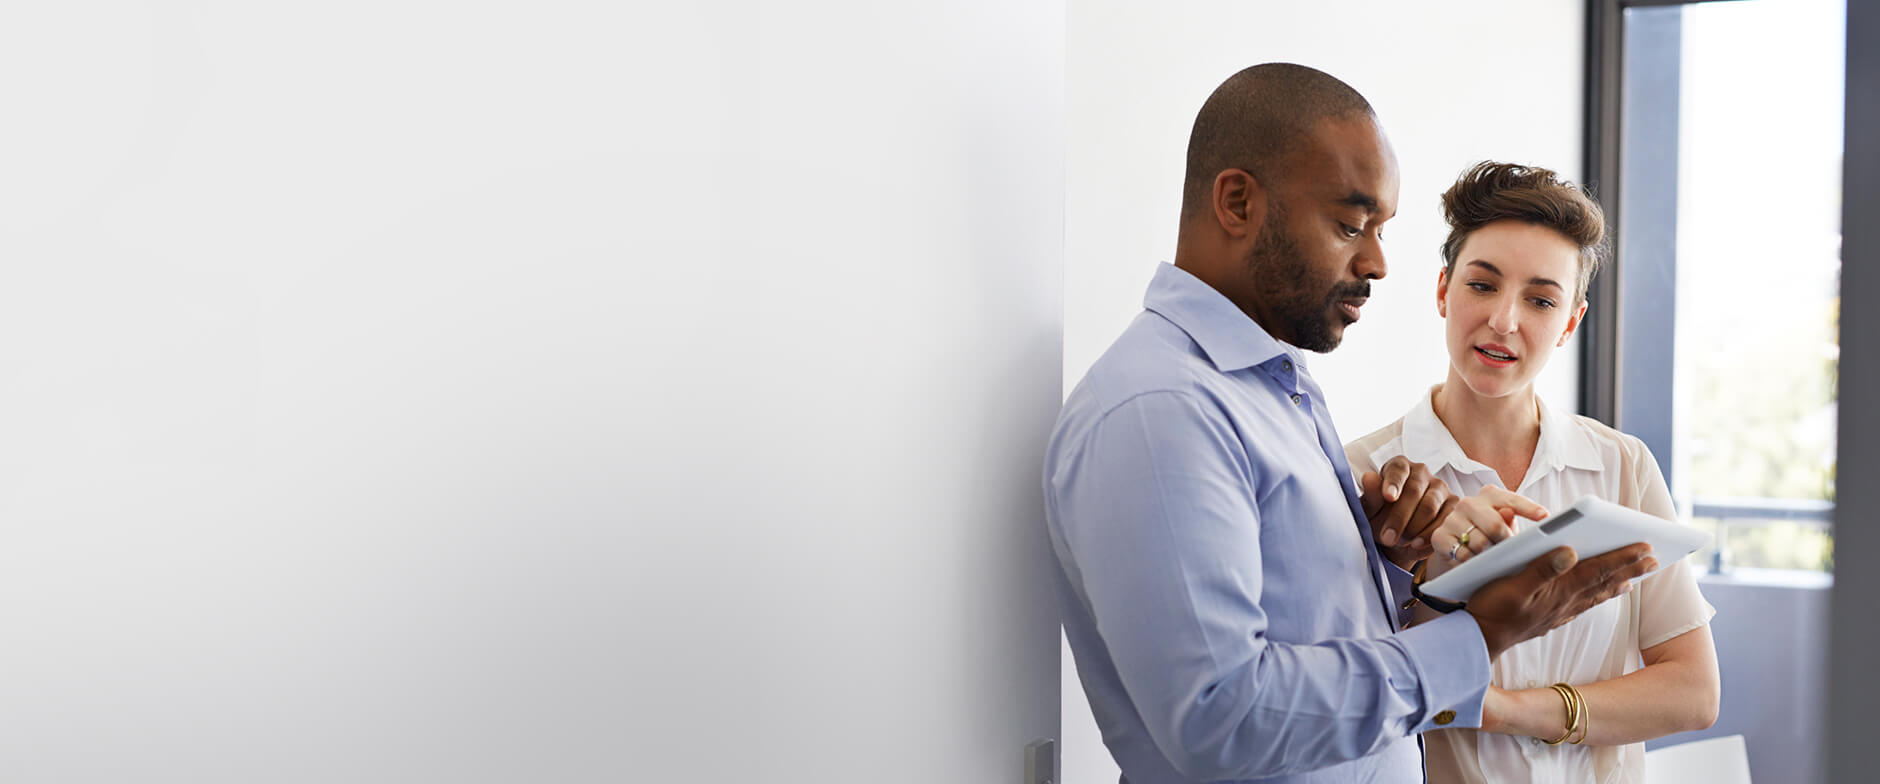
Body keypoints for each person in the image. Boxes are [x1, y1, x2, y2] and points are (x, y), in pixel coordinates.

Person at [1042, 63, 1657, 784]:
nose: (1376, 262)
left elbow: (1304, 644)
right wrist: (1481, 635)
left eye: (1383, 230)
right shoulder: (1162, 412)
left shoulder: (1273, 388)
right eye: (1349, 224)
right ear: (1237, 203)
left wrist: (1394, 566)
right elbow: (1222, 718)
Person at [1344, 161, 1720, 783]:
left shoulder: (1621, 466)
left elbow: (1693, 692)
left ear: (1571, 321)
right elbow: (1349, 693)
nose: (1504, 321)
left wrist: (1504, 711)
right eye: (1483, 285)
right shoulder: (1367, 476)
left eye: (1541, 299)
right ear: (1443, 290)